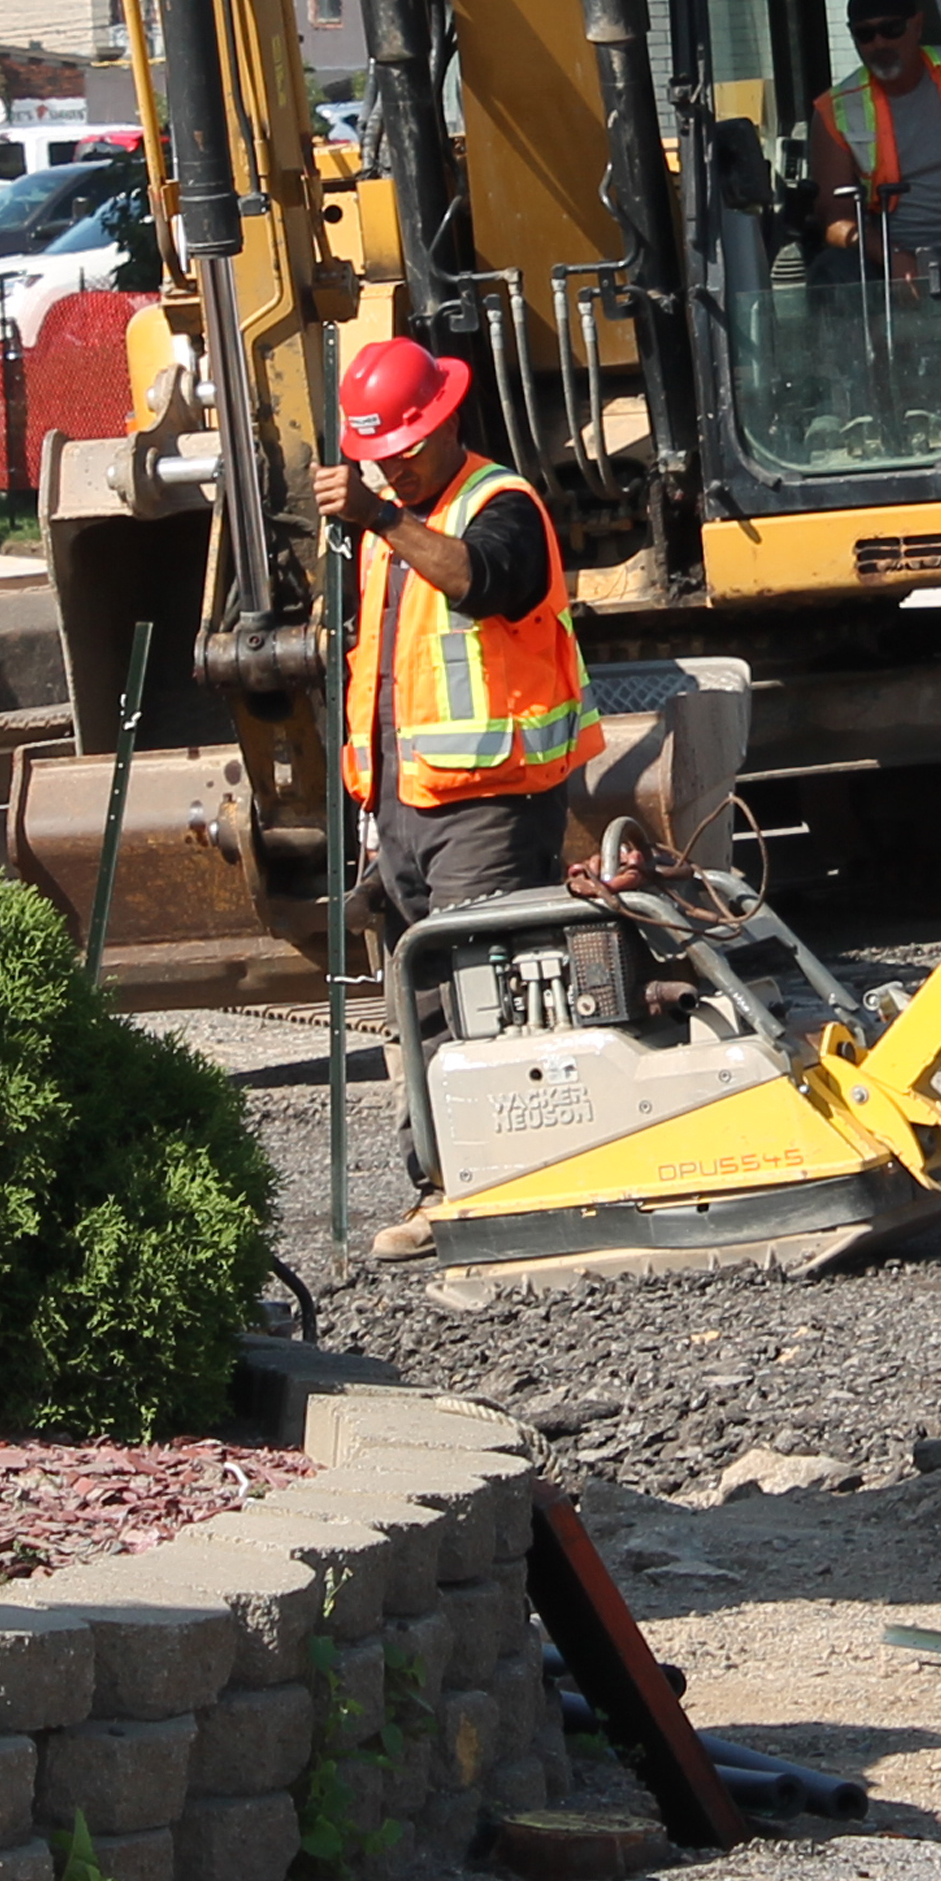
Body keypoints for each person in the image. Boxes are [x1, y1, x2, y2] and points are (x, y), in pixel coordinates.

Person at [315, 336, 602, 1263]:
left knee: (489, 996)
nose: (392, 463)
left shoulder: (498, 505)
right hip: (405, 807)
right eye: (377, 454)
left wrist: (375, 514)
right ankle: (446, 1188)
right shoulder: (387, 518)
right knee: (425, 1005)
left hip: (490, 805)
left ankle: (514, 1187)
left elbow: (481, 583)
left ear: (443, 423)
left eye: (404, 446)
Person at [808, 0, 941, 292]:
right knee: (832, 271)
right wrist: (889, 256)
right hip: (893, 258)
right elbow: (834, 218)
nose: (880, 44)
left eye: (891, 29)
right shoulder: (835, 110)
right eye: (865, 35)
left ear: (917, 26)